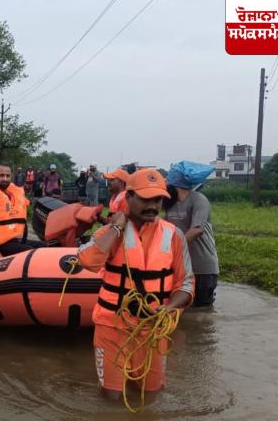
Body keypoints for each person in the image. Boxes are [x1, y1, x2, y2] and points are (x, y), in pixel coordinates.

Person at [77, 168, 194, 401]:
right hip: (112, 326)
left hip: (153, 328)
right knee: (112, 398)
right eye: (145, 199)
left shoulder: (174, 235)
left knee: (151, 395)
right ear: (128, 197)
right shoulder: (110, 232)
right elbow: (88, 261)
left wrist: (170, 307)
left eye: (158, 199)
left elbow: (187, 284)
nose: (152, 205)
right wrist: (116, 227)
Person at [163, 170, 220, 307]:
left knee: (201, 313)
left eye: (166, 181)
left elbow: (197, 230)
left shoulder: (198, 199)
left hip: (202, 267)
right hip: (181, 267)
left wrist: (172, 247)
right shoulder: (171, 204)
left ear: (174, 183)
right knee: (181, 309)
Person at [0, 163, 42, 258]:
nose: (5, 179)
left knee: (45, 246)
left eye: (7, 176)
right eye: (1, 175)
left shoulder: (11, 197)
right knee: (32, 253)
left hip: (12, 241)